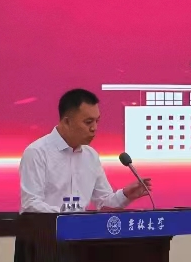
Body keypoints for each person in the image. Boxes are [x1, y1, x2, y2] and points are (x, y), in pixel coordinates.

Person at [19, 88, 152, 212]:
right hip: (46, 229)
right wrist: (69, 216)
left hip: (80, 229)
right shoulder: (37, 152)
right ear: (67, 122)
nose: (94, 128)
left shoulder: (90, 156)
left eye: (96, 121)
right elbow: (31, 204)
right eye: (88, 122)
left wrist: (125, 195)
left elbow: (104, 201)